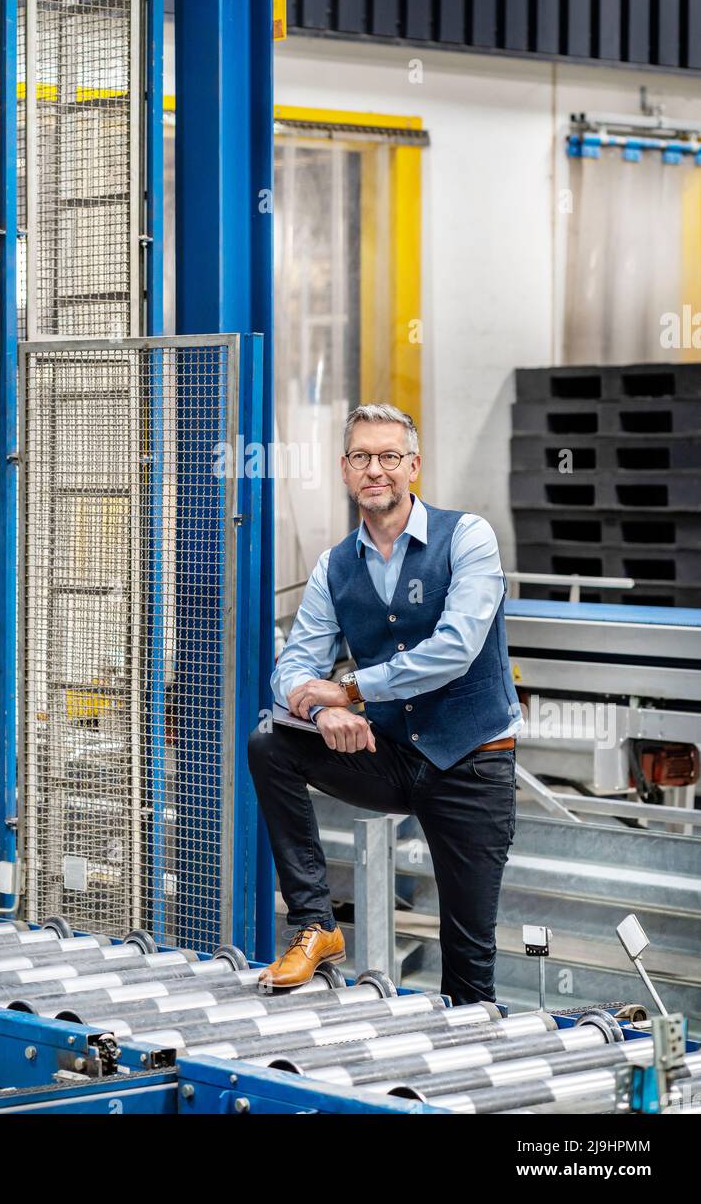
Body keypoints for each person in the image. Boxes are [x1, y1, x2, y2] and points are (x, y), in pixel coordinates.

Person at [248, 403, 521, 1003]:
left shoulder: (467, 537)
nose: (377, 470)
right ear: (345, 470)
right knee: (271, 741)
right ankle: (316, 925)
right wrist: (322, 713)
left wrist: (349, 689)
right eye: (363, 457)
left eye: (390, 457)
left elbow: (456, 649)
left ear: (413, 466)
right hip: (393, 755)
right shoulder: (334, 566)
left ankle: (460, 1080)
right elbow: (292, 670)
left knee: (468, 961)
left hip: (470, 762)